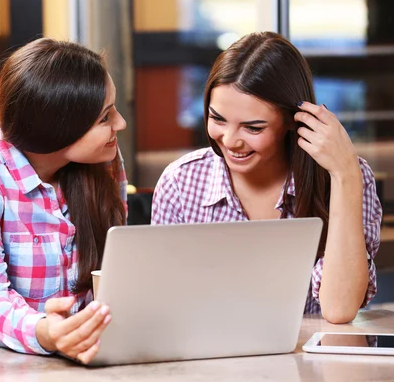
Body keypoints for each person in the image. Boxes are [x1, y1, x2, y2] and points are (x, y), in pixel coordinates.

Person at [151, 32, 382, 324]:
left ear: (291, 120)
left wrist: (345, 174)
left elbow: (339, 309)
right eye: (217, 119)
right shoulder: (180, 183)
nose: (231, 141)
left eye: (253, 128)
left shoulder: (347, 177)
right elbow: (165, 307)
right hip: (212, 364)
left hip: (310, 365)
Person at [0, 38, 127, 364]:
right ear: (58, 127)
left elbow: (120, 278)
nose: (120, 124)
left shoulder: (105, 162)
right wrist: (47, 332)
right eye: (105, 118)